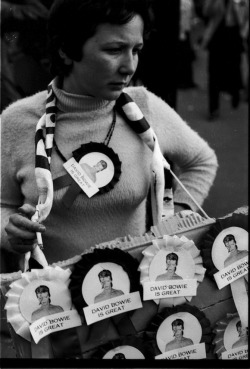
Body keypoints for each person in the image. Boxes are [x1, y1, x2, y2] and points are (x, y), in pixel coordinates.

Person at [1, 0, 218, 270]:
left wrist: (179, 217)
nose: (129, 66)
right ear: (66, 50)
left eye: (136, 50)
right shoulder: (17, 121)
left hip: (138, 298)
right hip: (51, 301)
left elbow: (202, 161)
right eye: (114, 50)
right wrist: (10, 233)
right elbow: (3, 206)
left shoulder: (144, 107)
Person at [200, 0, 248, 120]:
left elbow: (243, 19)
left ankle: (235, 92)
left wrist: (237, 5)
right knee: (213, 73)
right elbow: (206, 12)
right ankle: (213, 108)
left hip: (233, 35)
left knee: (235, 68)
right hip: (217, 36)